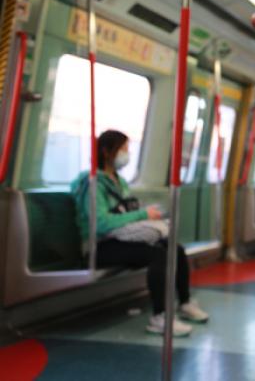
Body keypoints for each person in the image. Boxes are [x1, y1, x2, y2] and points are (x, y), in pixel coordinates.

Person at [71, 130, 208, 337]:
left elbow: (125, 213)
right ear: (107, 151)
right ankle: (159, 317)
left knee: (174, 248)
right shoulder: (93, 183)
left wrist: (143, 216)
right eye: (123, 149)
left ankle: (185, 302)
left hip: (119, 240)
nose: (127, 154)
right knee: (157, 255)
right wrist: (142, 215)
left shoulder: (118, 181)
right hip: (99, 245)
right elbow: (100, 223)